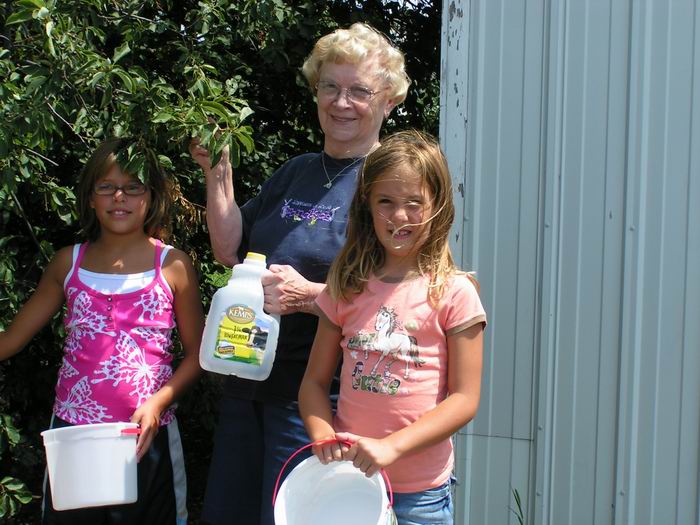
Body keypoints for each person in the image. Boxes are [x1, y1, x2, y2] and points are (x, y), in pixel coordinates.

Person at [189, 22, 410, 525]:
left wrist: (311, 296)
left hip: (320, 397)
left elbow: (403, 297)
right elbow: (228, 249)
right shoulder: (296, 170)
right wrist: (218, 172)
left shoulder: (390, 182)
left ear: (389, 100)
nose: (341, 102)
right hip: (247, 377)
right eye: (330, 86)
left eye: (359, 90)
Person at [0, 138, 205, 525]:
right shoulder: (68, 263)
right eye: (106, 187)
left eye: (132, 187)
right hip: (75, 437)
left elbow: (199, 355)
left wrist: (158, 403)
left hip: (147, 437)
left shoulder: (173, 265)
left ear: (152, 196)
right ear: (90, 197)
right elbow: (11, 340)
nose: (119, 198)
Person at [298, 130, 487, 525]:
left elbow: (465, 399)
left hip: (420, 498)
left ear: (438, 207)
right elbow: (314, 384)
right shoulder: (346, 286)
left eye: (414, 203)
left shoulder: (455, 293)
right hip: (348, 485)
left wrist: (391, 447)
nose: (399, 216)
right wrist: (321, 433)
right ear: (367, 206)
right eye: (386, 201)